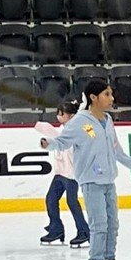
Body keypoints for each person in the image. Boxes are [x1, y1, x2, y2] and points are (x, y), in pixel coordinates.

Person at [37, 77, 131, 260]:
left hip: (109, 179)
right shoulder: (80, 121)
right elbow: (63, 140)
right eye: (107, 94)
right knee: (99, 225)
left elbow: (115, 149)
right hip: (91, 180)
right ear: (93, 97)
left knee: (112, 225)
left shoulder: (107, 120)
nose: (112, 98)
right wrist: (48, 143)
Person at [38, 100, 90, 247]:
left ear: (72, 116)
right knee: (50, 199)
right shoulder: (62, 129)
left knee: (72, 202)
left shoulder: (79, 129)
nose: (59, 117)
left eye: (62, 115)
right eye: (58, 114)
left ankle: (84, 232)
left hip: (72, 173)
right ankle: (56, 229)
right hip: (60, 172)